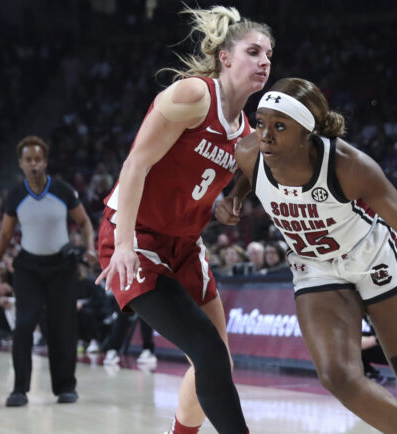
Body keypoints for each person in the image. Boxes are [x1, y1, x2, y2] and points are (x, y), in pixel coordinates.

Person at [228, 78, 397, 433]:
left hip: (372, 256)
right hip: (315, 267)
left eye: (279, 126)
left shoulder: (350, 165)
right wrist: (232, 198)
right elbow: (248, 177)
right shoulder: (249, 153)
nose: (265, 136)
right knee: (337, 376)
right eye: (260, 123)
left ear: (307, 132)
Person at [95, 6, 273, 433]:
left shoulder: (246, 134)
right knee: (208, 351)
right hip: (136, 236)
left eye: (269, 54)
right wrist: (121, 245)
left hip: (185, 246)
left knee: (216, 360)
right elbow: (136, 165)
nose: (265, 61)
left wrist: (219, 206)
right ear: (226, 58)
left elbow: (195, 183)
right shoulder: (193, 95)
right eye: (253, 51)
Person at [0, 136, 97, 407]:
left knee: (63, 327)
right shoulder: (16, 195)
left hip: (62, 267)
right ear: (21, 164)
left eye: (38, 159)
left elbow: (84, 222)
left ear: (45, 162)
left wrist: (90, 248)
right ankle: (19, 390)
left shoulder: (62, 190)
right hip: (28, 268)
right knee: (24, 324)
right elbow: (4, 234)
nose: (34, 164)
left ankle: (65, 387)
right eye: (28, 160)